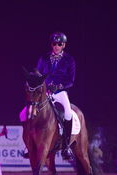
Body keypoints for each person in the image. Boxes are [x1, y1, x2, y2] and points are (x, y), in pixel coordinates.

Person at [33, 32, 76, 160]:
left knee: (68, 113)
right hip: (45, 92)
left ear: (64, 45)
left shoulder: (69, 60)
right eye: (54, 44)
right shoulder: (43, 58)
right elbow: (37, 73)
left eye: (59, 44)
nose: (56, 46)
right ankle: (28, 145)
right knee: (27, 112)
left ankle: (67, 146)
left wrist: (59, 87)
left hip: (60, 92)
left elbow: (71, 80)